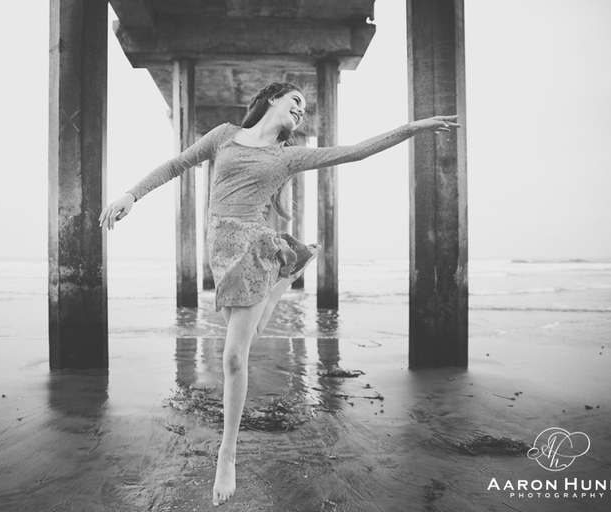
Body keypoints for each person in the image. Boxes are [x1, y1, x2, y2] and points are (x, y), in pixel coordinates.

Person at [99, 82, 460, 506]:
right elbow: (177, 164)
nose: (301, 110)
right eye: (296, 101)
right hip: (221, 251)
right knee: (248, 337)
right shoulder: (224, 135)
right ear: (273, 98)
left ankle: (227, 455)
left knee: (234, 358)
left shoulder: (287, 156)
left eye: (304, 108)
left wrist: (411, 128)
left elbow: (355, 151)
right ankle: (286, 276)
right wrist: (132, 194)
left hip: (254, 249)